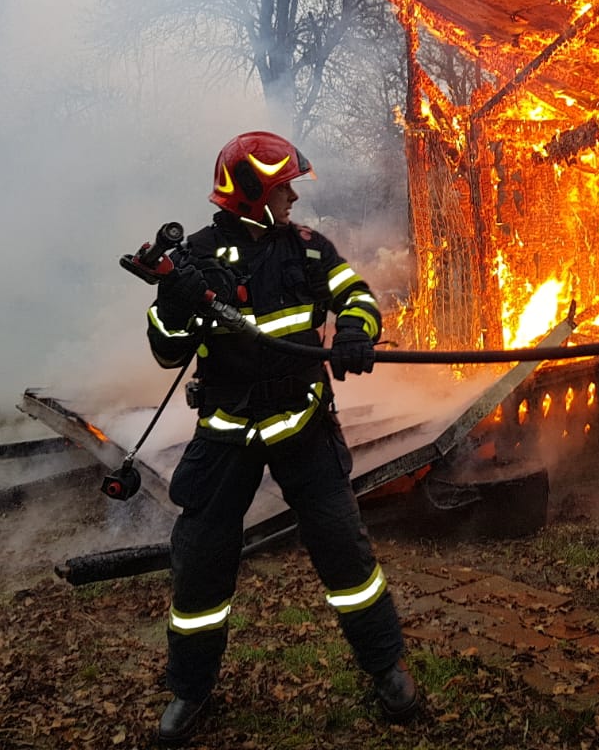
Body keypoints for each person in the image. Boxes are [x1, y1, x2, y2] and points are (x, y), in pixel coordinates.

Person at [144, 130, 418, 745]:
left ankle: (385, 668)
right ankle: (190, 691)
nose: (293, 195)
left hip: (304, 423)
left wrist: (354, 331)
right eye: (282, 186)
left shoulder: (309, 250)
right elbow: (165, 350)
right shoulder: (197, 258)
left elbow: (358, 296)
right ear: (251, 195)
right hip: (227, 434)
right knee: (201, 571)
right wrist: (175, 300)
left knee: (346, 552)